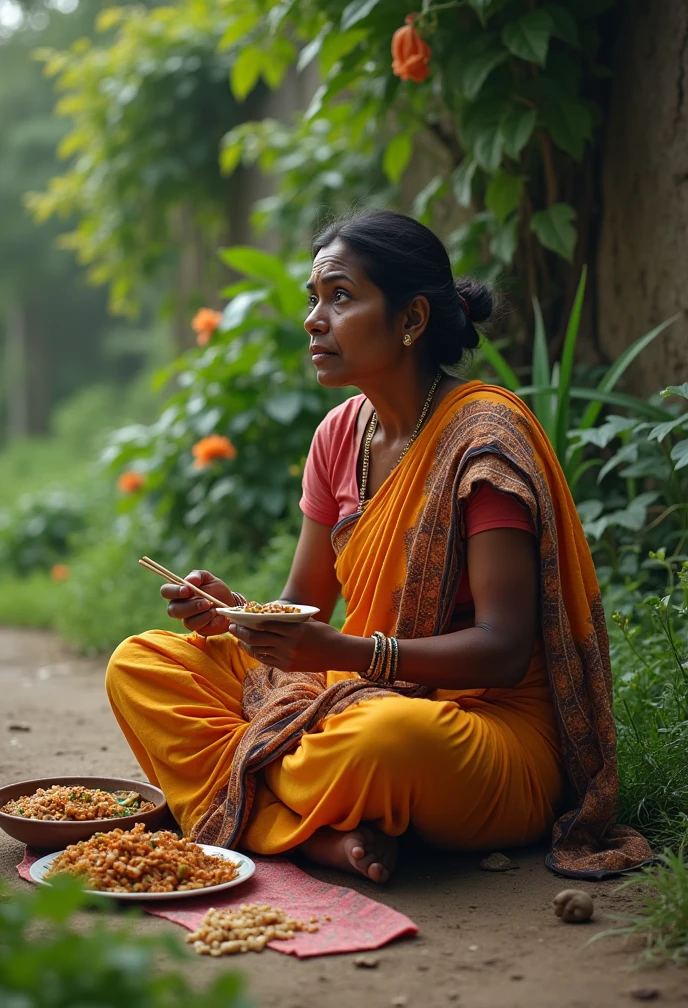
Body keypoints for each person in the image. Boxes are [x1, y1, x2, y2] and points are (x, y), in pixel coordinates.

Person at [106, 211, 652, 883]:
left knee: (384, 739)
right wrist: (238, 615)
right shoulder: (339, 436)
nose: (313, 318)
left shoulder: (485, 443)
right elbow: (302, 605)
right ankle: (314, 834)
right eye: (313, 298)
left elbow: (505, 651)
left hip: (481, 737)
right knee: (140, 665)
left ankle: (272, 811)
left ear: (412, 319)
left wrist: (348, 654)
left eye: (339, 295)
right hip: (356, 690)